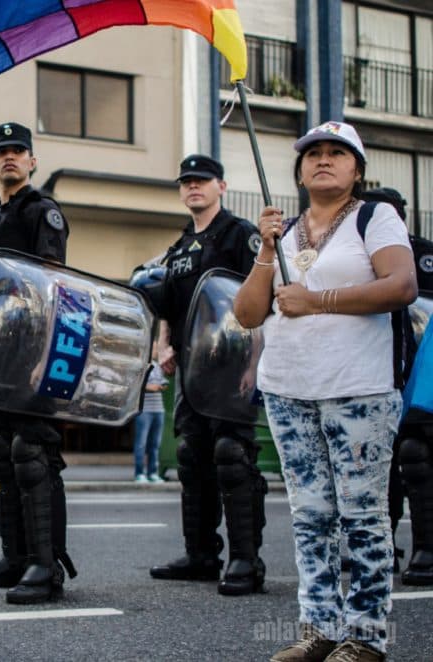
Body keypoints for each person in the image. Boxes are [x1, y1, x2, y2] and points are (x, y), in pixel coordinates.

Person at [234, 121, 417, 661]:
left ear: (357, 170)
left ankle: (365, 637)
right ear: (299, 168)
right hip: (290, 390)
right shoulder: (284, 232)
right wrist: (265, 249)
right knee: (311, 515)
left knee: (362, 516)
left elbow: (400, 286)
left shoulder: (373, 217)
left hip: (356, 389)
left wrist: (317, 301)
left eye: (339, 153)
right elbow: (248, 314)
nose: (324, 160)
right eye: (314, 153)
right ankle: (319, 628)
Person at [0, 122, 75, 604]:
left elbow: (53, 285)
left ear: (32, 161)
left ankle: (45, 568)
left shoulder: (41, 212)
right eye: (1, 151)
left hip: (32, 347)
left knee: (33, 454)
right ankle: (15, 558)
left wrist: (47, 354)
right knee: (6, 454)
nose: (10, 157)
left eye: (18, 151)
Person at [147, 154, 268, 596]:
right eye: (186, 182)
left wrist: (254, 366)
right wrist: (164, 343)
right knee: (191, 456)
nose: (193, 187)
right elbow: (169, 304)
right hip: (191, 370)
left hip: (232, 366)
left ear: (221, 185)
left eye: (201, 181)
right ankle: (200, 554)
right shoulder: (179, 248)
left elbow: (260, 302)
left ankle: (245, 559)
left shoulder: (241, 236)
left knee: (233, 456)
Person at [361, 187, 433, 587]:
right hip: (375, 368)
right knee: (377, 464)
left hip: (422, 373)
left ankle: (426, 548)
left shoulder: (424, 253)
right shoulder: (357, 252)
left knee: (415, 454)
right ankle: (379, 548)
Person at [134, 351, 167, 483]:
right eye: (154, 346)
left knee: (155, 444)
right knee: (141, 443)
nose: (157, 350)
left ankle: (153, 473)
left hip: (159, 409)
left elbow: (163, 382)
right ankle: (139, 473)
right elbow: (135, 385)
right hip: (144, 410)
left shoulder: (158, 366)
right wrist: (150, 387)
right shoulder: (140, 365)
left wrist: (160, 386)